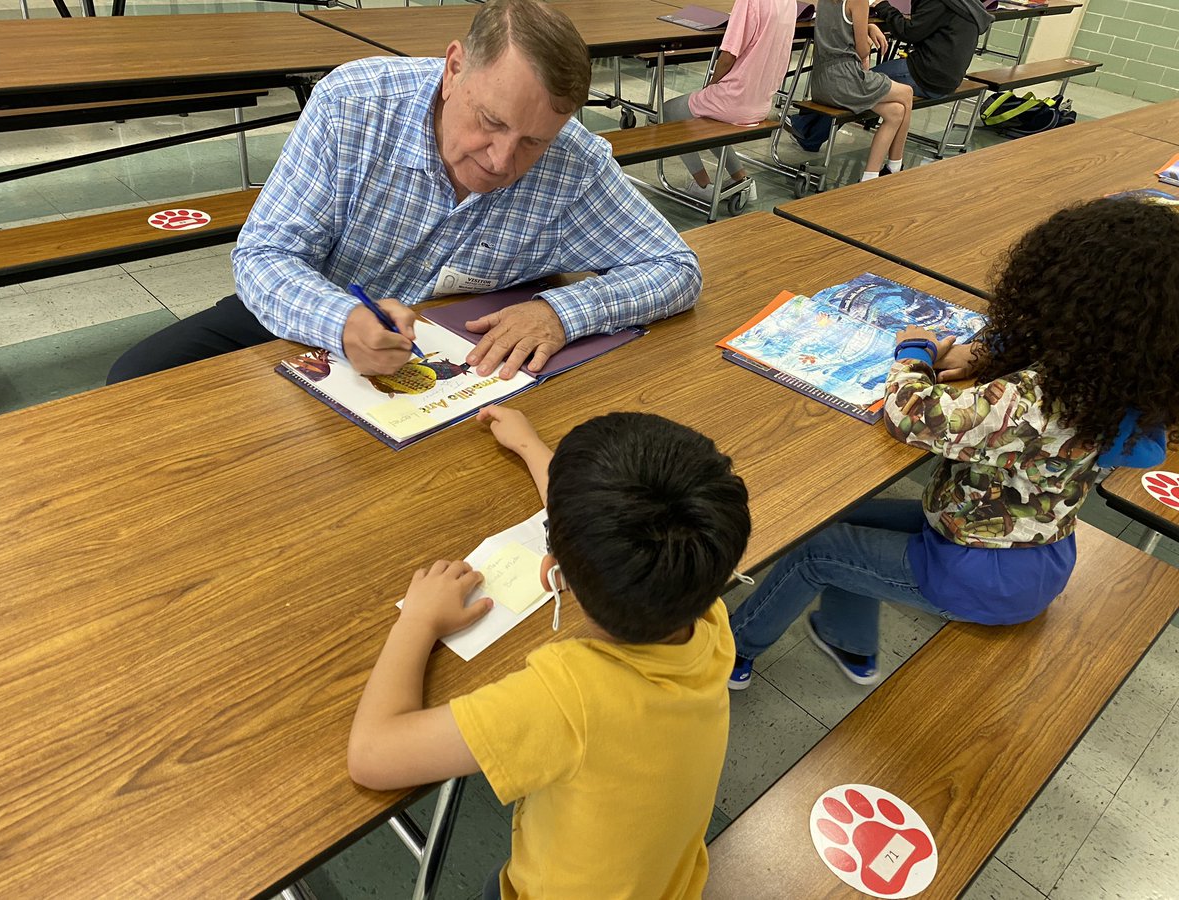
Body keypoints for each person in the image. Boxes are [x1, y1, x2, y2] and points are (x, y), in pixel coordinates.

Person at [107, 0, 700, 386]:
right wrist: (339, 320)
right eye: (490, 122)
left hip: (456, 359)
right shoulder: (355, 105)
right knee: (134, 378)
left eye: (532, 143)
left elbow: (676, 269)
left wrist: (561, 312)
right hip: (316, 313)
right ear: (453, 68)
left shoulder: (572, 160)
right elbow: (264, 257)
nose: (501, 161)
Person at [727, 196, 1178, 690]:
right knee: (840, 518)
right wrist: (990, 355)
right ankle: (847, 639)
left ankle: (734, 653)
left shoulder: (1035, 401)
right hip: (1023, 547)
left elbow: (911, 415)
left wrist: (914, 350)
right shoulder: (1120, 386)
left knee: (814, 551)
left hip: (983, 574)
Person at [347, 407, 751, 899]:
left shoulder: (569, 699)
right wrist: (532, 448)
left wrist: (418, 619)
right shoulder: (709, 618)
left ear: (552, 578)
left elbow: (371, 756)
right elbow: (610, 530)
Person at [788, 0, 993, 166]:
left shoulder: (937, 2)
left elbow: (909, 32)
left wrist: (883, 7)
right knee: (870, 89)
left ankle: (808, 130)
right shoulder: (966, 3)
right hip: (948, 76)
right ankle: (893, 165)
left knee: (864, 83)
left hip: (928, 74)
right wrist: (867, 24)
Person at [659, 0, 797, 205]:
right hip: (761, 101)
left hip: (733, 99)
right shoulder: (790, 3)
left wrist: (710, 86)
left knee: (668, 111)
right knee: (708, 121)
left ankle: (702, 186)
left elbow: (728, 56)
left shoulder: (749, 2)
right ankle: (741, 178)